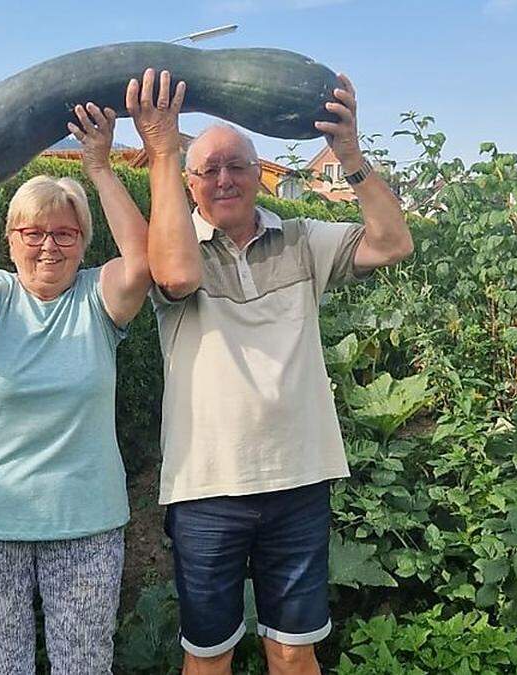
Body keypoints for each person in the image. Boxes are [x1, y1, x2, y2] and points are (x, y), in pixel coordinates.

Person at [131, 68, 414, 674]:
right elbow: (176, 277)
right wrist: (159, 147)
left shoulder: (303, 239)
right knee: (209, 657)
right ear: (189, 182)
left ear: (260, 175)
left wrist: (350, 155)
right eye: (208, 169)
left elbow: (392, 244)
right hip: (207, 489)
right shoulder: (173, 248)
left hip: (299, 479)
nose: (225, 179)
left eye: (238, 166)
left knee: (294, 651)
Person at [0, 99, 150, 674]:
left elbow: (145, 261)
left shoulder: (99, 299)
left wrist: (99, 168)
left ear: (83, 241)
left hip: (85, 524)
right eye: (33, 232)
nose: (49, 245)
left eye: (65, 234)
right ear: (11, 238)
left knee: (84, 666)